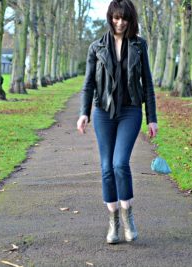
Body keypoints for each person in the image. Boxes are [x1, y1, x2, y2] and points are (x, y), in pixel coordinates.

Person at [76, 0, 158, 244]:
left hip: (131, 110)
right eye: (116, 17)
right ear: (110, 17)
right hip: (103, 112)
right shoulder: (96, 47)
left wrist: (152, 118)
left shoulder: (140, 46)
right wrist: (84, 113)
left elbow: (148, 84)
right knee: (106, 167)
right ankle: (113, 221)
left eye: (124, 18)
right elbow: (88, 83)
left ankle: (128, 215)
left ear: (130, 20)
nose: (120, 22)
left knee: (120, 163)